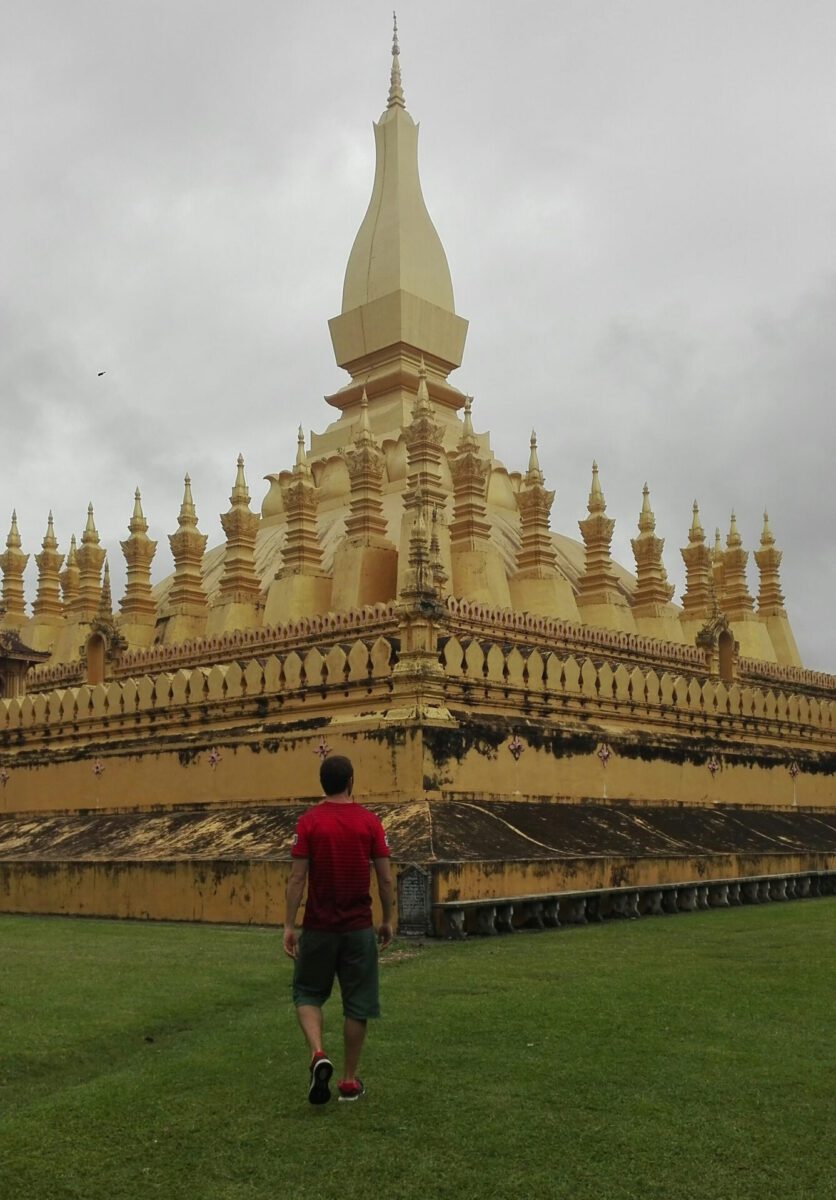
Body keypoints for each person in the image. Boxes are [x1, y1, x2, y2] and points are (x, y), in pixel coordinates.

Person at [283, 753, 393, 1104]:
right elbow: (386, 879)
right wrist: (389, 919)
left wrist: (288, 924)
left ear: (322, 783)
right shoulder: (369, 823)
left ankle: (318, 1052)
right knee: (356, 1005)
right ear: (351, 781)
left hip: (319, 927)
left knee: (307, 994)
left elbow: (297, 878)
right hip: (359, 928)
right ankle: (347, 1080)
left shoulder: (309, 822)